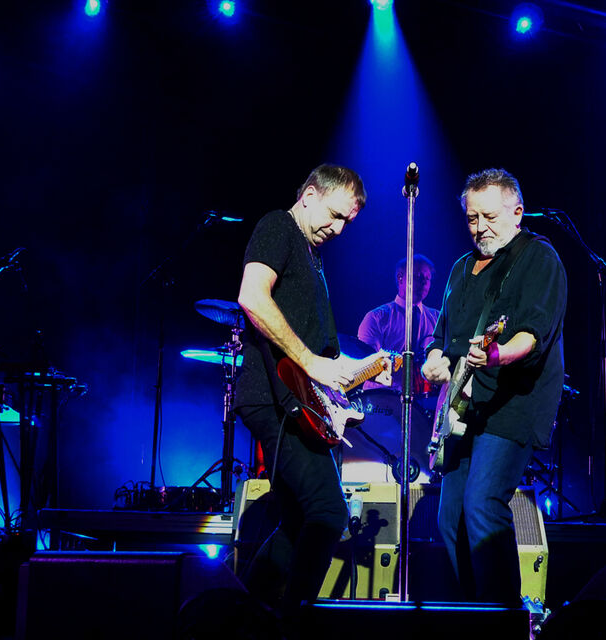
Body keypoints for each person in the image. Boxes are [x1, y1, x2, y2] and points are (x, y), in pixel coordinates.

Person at [233, 164, 390, 621]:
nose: (338, 229)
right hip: (274, 398)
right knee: (328, 513)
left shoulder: (313, 257)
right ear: (309, 195)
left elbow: (322, 357)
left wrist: (365, 370)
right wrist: (311, 361)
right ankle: (293, 627)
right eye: (335, 215)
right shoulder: (277, 226)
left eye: (347, 223)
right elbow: (252, 297)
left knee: (296, 523)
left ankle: (243, 619)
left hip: (300, 403)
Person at [421, 168, 567, 605]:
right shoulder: (460, 268)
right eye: (471, 218)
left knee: (483, 504)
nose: (479, 227)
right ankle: (474, 613)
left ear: (517, 212)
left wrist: (499, 355)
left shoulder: (538, 258)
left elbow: (533, 333)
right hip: (464, 409)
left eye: (489, 217)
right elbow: (442, 336)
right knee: (449, 517)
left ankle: (503, 619)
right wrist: (433, 359)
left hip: (513, 403)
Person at [357, 254, 440, 392]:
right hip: (381, 397)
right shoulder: (376, 318)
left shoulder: (437, 318)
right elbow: (364, 363)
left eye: (427, 278)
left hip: (423, 399)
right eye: (418, 276)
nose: (424, 283)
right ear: (400, 277)